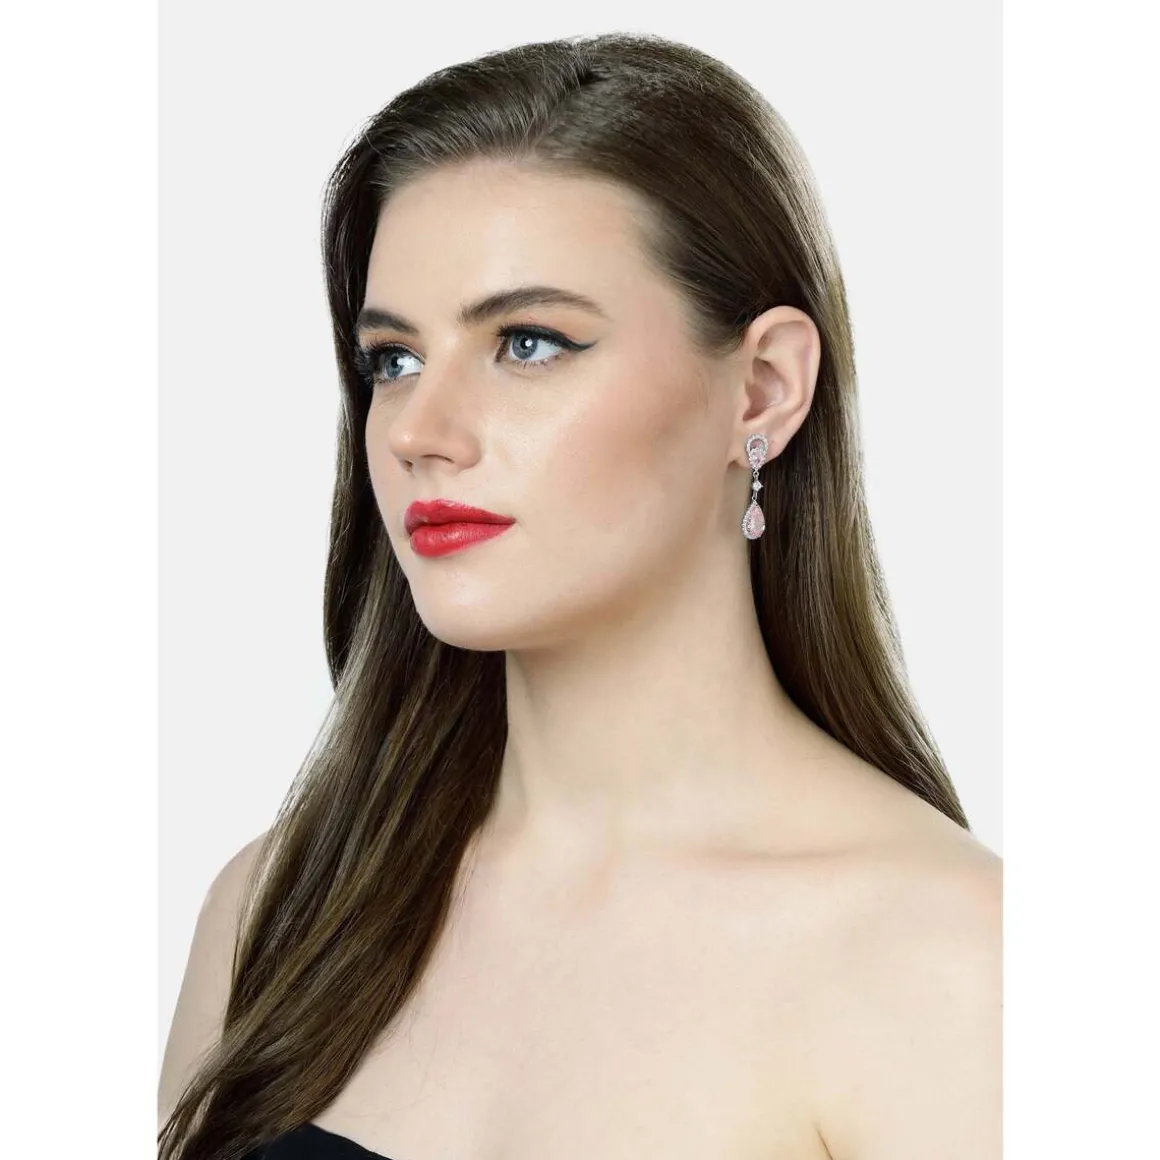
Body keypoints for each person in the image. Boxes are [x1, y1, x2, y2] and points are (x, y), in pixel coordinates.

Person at [159, 30, 1001, 1160]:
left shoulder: (951, 966)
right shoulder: (280, 910)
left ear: (761, 390)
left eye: (528, 342)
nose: (417, 431)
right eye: (393, 359)